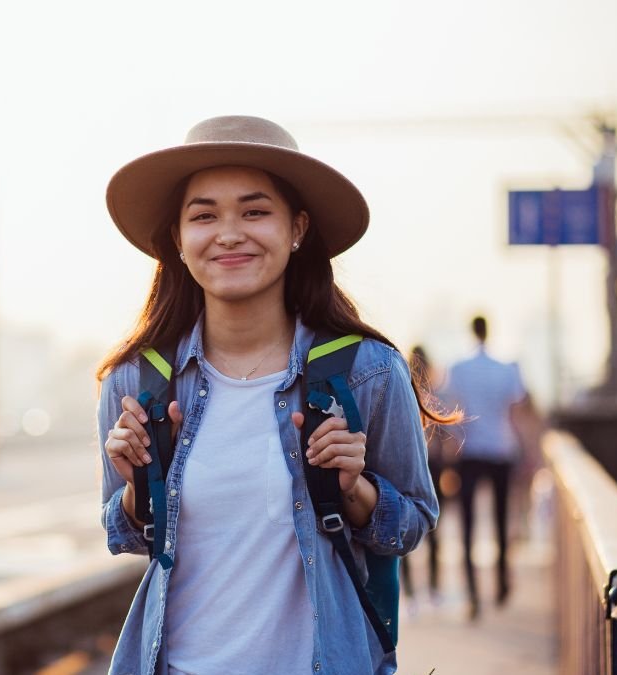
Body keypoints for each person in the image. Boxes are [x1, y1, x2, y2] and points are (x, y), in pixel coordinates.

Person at [97, 115, 449, 675]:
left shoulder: (367, 372)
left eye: (255, 211)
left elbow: (411, 524)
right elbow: (124, 533)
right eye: (204, 215)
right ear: (178, 240)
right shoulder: (137, 382)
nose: (229, 233)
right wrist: (141, 484)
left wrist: (352, 489)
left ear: (298, 229)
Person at [439, 315, 535, 620]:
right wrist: (529, 452)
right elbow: (517, 411)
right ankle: (502, 582)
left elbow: (449, 412)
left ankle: (472, 594)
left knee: (467, 525)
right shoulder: (506, 369)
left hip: (469, 453)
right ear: (489, 331)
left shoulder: (458, 369)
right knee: (500, 519)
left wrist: (450, 447)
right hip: (500, 450)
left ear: (471, 332)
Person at [401, 345, 448, 607]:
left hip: (408, 467)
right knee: (434, 531)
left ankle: (411, 594)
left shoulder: (401, 390)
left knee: (404, 530)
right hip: (434, 467)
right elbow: (443, 440)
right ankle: (433, 589)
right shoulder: (435, 394)